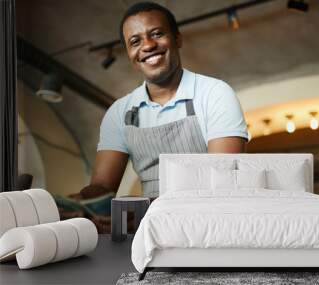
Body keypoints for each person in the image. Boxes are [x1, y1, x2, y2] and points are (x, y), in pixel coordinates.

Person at [78, 1, 248, 200]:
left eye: (157, 34)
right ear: (130, 55)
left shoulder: (215, 93)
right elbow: (102, 186)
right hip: (146, 225)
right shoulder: (119, 112)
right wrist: (81, 201)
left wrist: (147, 209)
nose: (148, 45)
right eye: (135, 41)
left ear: (177, 39)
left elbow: (223, 179)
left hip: (207, 218)